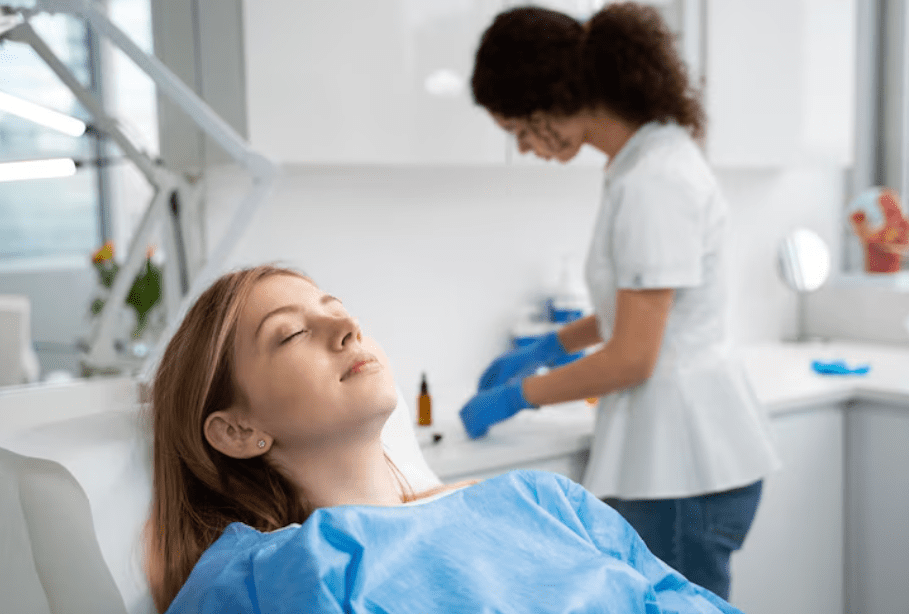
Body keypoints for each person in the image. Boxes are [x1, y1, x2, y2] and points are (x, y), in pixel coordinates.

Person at [144, 264, 743, 614]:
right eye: (292, 333)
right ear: (237, 430)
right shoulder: (270, 571)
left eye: (338, 308)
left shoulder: (542, 500)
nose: (347, 326)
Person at [459, 3, 781, 601]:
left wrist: (518, 395)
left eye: (520, 130)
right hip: (682, 458)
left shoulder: (652, 181)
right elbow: (635, 308)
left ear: (550, 99)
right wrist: (550, 346)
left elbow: (634, 356)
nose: (527, 148)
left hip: (683, 468)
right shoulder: (643, 163)